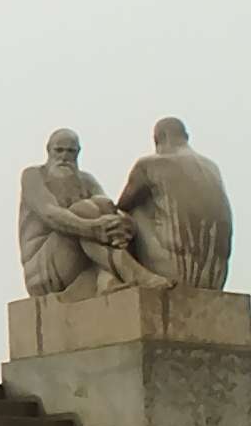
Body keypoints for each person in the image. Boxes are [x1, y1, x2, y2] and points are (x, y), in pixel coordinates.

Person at [19, 129, 168, 299]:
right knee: (84, 211)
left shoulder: (86, 180)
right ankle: (133, 273)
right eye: (59, 150)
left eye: (70, 151)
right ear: (48, 150)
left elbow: (109, 207)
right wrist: (92, 228)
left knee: (102, 206)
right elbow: (50, 214)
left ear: (78, 152)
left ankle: (108, 279)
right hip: (43, 269)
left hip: (82, 259)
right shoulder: (33, 175)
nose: (64, 157)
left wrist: (123, 225)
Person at [119, 119, 234, 290]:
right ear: (186, 136)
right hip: (215, 278)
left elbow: (122, 205)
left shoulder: (149, 164)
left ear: (159, 138)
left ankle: (135, 276)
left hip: (173, 272)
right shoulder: (212, 167)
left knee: (124, 215)